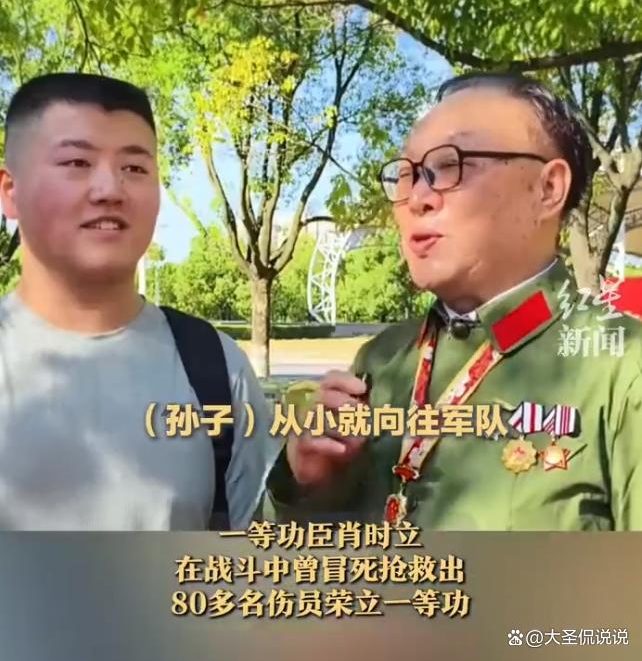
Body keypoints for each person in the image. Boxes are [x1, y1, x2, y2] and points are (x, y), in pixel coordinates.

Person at [265, 72, 642, 530]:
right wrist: (306, 486)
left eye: (450, 165)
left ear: (548, 189)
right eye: (406, 174)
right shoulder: (380, 362)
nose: (417, 198)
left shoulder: (622, 368)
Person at [0, 72, 278, 530]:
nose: (110, 190)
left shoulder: (216, 369)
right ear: (10, 191)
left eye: (134, 168)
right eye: (77, 162)